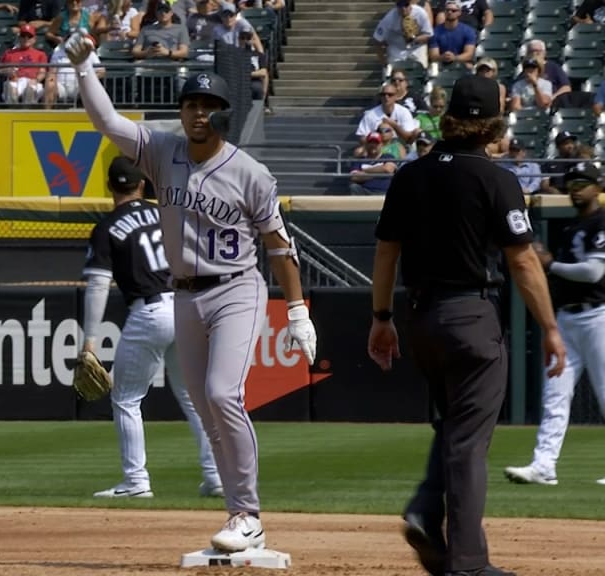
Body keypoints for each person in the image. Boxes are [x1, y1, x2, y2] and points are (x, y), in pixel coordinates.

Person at [64, 32, 318, 553]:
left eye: (208, 105)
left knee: (224, 394)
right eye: (191, 104)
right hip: (183, 295)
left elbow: (279, 247)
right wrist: (86, 67)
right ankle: (235, 512)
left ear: (225, 113)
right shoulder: (162, 152)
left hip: (236, 289)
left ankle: (248, 513)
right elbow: (108, 123)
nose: (198, 112)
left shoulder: (251, 173)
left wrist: (297, 311)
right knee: (204, 404)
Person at [367, 74, 565, 576]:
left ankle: (426, 511)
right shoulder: (496, 178)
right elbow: (521, 262)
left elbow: (387, 252)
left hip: (422, 319)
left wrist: (381, 318)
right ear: (491, 124)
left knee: (453, 428)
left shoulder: (410, 175)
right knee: (469, 444)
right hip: (472, 317)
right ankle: (469, 563)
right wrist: (549, 327)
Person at [83, 155, 223, 499]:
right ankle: (216, 476)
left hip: (148, 312)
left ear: (109, 186)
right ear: (142, 184)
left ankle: (136, 481)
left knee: (127, 398)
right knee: (194, 399)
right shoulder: (168, 212)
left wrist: (89, 340)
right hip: (185, 306)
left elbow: (99, 285)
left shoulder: (107, 228)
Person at [504, 162, 605, 487]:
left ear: (598, 186)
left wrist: (551, 264)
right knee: (555, 395)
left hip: (597, 316)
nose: (576, 188)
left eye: (583, 182)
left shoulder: (602, 222)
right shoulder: (572, 227)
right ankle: (544, 465)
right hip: (567, 318)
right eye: (572, 182)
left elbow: (593, 273)